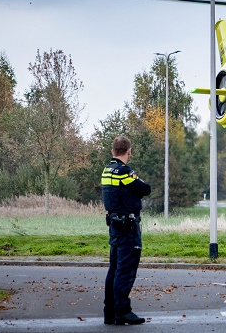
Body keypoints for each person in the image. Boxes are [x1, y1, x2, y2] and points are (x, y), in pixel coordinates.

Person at [101, 136, 151, 325]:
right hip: (128, 227)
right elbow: (145, 189)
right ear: (128, 151)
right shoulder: (124, 171)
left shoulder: (107, 170)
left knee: (114, 269)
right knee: (125, 270)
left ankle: (110, 311)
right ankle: (122, 311)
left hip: (114, 226)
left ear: (112, 151)